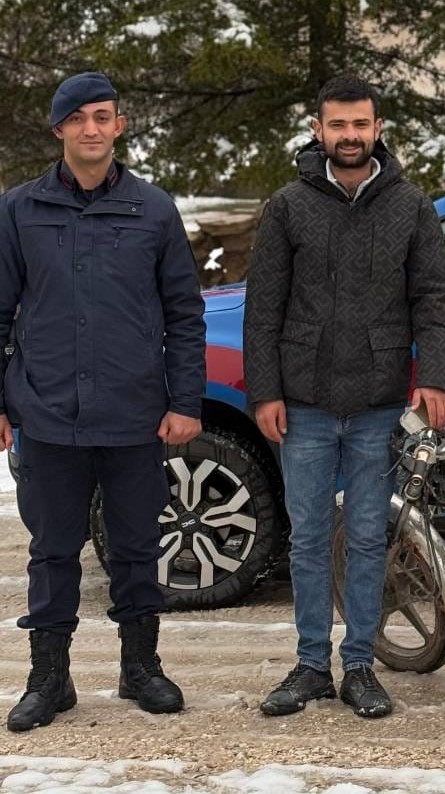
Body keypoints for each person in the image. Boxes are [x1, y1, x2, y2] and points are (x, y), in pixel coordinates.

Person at [244, 76, 445, 719]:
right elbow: (264, 308)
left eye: (360, 125)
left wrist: (437, 377)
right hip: (303, 401)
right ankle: (311, 666)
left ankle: (359, 665)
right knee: (308, 537)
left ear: (378, 129)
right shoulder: (288, 206)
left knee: (366, 536)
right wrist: (265, 392)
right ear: (318, 130)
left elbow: (434, 299)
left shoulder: (410, 206)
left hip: (378, 398)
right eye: (337, 125)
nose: (350, 136)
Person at [0, 72, 206, 731]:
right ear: (59, 128)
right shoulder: (19, 210)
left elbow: (185, 315)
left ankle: (140, 667)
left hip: (134, 413)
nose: (93, 127)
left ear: (119, 126)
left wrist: (186, 401)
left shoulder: (153, 210)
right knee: (53, 549)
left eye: (104, 116)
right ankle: (49, 678)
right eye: (79, 117)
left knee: (136, 546)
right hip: (48, 412)